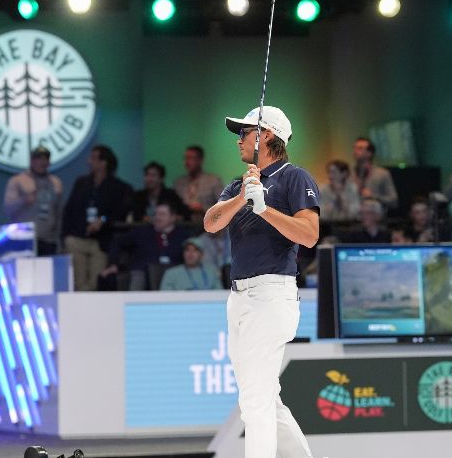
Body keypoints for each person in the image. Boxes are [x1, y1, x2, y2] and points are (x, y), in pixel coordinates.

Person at [204, 105, 318, 458]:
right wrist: (244, 197)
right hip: (239, 298)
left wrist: (265, 208)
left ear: (267, 135)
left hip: (271, 294)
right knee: (263, 397)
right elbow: (211, 222)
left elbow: (310, 235)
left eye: (244, 132)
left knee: (255, 401)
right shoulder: (239, 183)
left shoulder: (294, 177)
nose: (238, 140)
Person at [62, 145, 133, 291]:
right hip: (78, 238)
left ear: (104, 162)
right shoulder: (81, 183)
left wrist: (104, 220)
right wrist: (66, 236)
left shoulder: (119, 187)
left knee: (95, 283)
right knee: (78, 283)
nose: (89, 161)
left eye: (93, 158)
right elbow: (69, 210)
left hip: (101, 242)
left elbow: (121, 212)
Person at [104, 202, 192, 291]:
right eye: (155, 214)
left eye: (162, 214)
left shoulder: (183, 236)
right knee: (137, 276)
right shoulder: (142, 232)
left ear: (173, 217)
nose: (157, 217)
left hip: (174, 274)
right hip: (143, 274)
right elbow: (117, 241)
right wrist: (113, 264)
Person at [3, 145, 63, 255]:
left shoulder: (56, 183)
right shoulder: (18, 180)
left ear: (49, 162)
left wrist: (59, 239)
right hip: (24, 239)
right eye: (38, 158)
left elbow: (59, 213)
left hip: (49, 239)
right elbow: (8, 209)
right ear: (32, 161)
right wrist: (23, 201)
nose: (41, 162)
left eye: (45, 159)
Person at [173, 145, 225, 226]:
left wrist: (203, 208)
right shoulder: (179, 183)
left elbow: (224, 206)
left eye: (190, 158)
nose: (187, 162)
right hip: (181, 225)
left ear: (200, 160)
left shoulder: (213, 181)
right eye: (185, 158)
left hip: (206, 226)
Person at [352, 136, 398, 211]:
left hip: (377, 218)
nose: (355, 151)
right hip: (355, 218)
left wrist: (373, 196)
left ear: (369, 153)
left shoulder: (382, 174)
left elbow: (394, 201)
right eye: (354, 148)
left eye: (359, 149)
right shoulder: (350, 174)